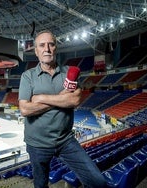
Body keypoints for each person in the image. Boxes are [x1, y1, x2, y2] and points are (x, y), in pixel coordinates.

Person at [18, 30, 107, 188]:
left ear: (55, 48)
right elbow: (25, 109)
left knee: (97, 182)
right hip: (37, 144)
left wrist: (40, 98)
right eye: (42, 45)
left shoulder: (69, 72)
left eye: (51, 44)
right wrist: (61, 98)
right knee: (40, 185)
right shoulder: (27, 76)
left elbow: (75, 99)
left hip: (66, 141)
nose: (47, 48)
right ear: (36, 51)